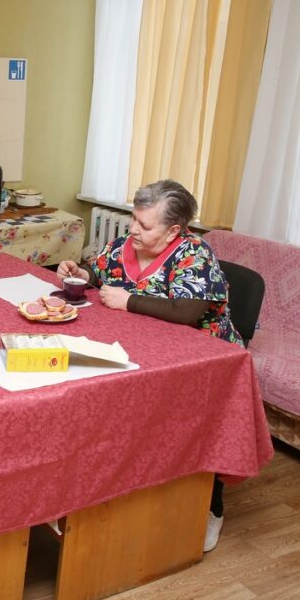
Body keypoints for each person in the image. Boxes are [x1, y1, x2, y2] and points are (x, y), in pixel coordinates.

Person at [56, 179, 241, 553]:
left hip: (201, 360)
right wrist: (82, 274)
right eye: (134, 220)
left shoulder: (194, 254)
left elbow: (188, 311)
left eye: (145, 225)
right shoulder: (129, 244)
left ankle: (211, 504)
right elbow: (100, 269)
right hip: (139, 346)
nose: (134, 230)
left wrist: (129, 302)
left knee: (194, 426)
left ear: (174, 230)